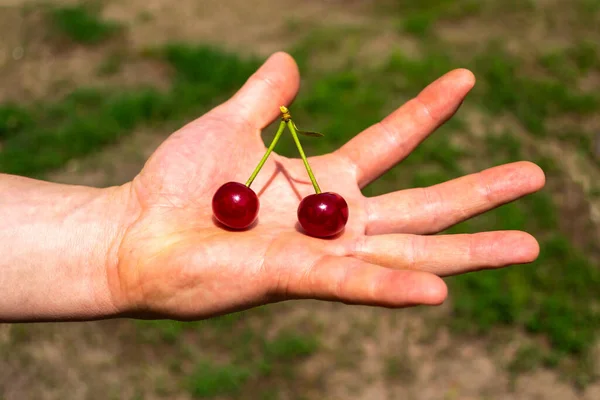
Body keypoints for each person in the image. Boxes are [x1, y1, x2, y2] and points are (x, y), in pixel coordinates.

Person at [0, 53, 544, 323]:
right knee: (258, 191)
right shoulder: (235, 201)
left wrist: (116, 239)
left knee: (282, 191)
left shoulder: (278, 205)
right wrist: (118, 239)